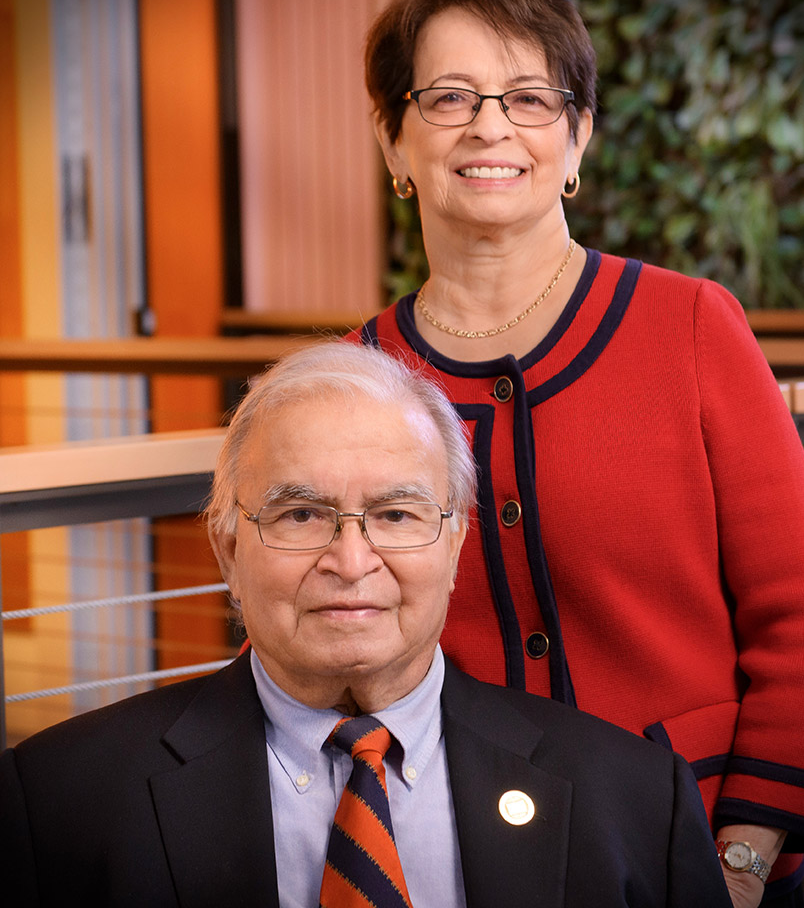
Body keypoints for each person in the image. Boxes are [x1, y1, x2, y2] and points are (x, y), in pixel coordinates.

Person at [356, 0, 804, 908]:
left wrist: (741, 867)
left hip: (694, 844)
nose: (491, 125)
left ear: (577, 139)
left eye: (531, 97)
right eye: (450, 96)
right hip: (454, 857)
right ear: (394, 143)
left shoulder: (692, 327)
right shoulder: (358, 380)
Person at [0, 342, 731, 908]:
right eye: (301, 514)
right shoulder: (59, 801)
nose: (351, 561)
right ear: (228, 549)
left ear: (454, 545)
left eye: (395, 515)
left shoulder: (635, 799)